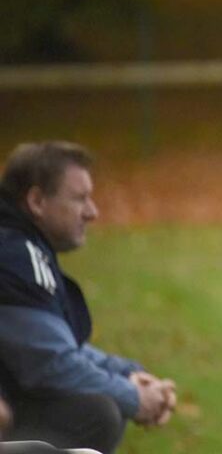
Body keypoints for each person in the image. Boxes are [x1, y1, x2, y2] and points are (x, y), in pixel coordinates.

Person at [0, 142, 176, 454]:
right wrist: (135, 397)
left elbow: (56, 345)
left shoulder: (20, 245)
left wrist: (127, 374)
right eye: (80, 199)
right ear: (37, 201)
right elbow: (51, 363)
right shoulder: (15, 254)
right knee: (97, 413)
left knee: (99, 407)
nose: (92, 212)